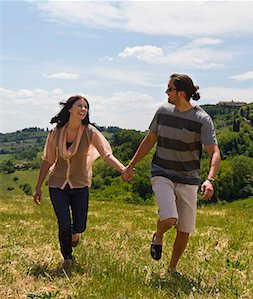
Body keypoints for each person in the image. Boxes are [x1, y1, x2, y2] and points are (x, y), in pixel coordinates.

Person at [122, 74, 221, 275]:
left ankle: (172, 268)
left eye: (169, 89)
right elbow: (149, 140)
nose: (166, 92)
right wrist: (131, 164)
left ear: (181, 93)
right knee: (169, 218)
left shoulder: (202, 119)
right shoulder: (162, 111)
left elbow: (214, 152)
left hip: (188, 178)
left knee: (184, 230)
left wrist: (210, 179)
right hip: (162, 172)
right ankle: (158, 236)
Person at [33, 95, 126, 273]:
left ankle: (75, 235)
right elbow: (47, 160)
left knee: (79, 225)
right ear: (69, 109)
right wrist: (38, 187)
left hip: (80, 184)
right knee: (64, 223)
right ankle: (67, 257)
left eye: (86, 107)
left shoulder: (90, 132)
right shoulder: (56, 132)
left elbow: (106, 154)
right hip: (57, 184)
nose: (83, 109)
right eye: (79, 106)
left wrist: (123, 170)